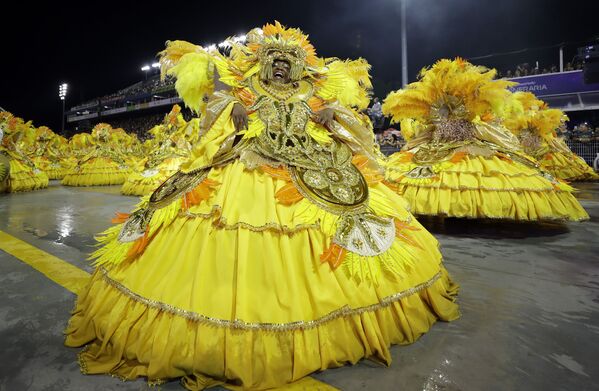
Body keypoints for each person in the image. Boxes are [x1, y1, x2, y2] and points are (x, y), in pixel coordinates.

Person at [65, 22, 459, 389]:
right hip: (252, 162)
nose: (282, 70)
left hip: (312, 166)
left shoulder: (309, 94)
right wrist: (230, 108)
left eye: (288, 65)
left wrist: (328, 114)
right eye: (276, 64)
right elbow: (212, 121)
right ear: (265, 65)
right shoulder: (246, 92)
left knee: (349, 214)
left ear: (297, 68)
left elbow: (343, 119)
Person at [380, 58, 588, 221]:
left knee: (478, 174)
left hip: (464, 143)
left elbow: (482, 125)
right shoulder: (439, 105)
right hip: (440, 144)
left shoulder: (469, 105)